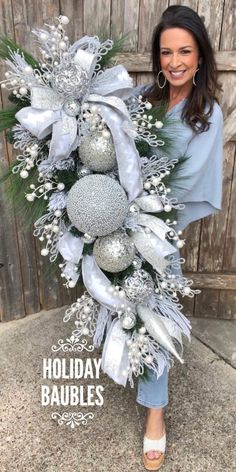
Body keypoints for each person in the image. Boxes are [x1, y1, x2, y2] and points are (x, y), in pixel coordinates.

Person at [133, 5, 224, 471]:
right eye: (166, 52)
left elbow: (183, 183)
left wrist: (129, 198)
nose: (175, 61)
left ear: (200, 56)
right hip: (114, 225)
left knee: (154, 322)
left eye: (185, 51)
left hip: (158, 236)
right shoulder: (143, 97)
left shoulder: (207, 113)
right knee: (123, 316)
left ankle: (155, 415)